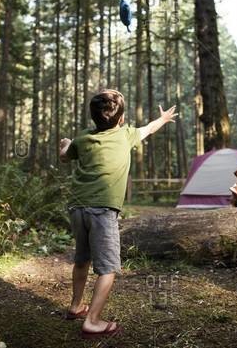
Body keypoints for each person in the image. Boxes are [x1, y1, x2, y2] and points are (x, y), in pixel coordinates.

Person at [59, 89, 178, 338]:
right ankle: (92, 321)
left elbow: (64, 158)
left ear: (93, 118)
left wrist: (65, 145)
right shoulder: (126, 135)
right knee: (108, 268)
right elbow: (148, 129)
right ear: (121, 119)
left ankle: (75, 306)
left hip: (78, 208)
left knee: (82, 259)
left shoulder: (82, 139)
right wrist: (164, 119)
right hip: (102, 211)